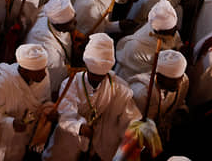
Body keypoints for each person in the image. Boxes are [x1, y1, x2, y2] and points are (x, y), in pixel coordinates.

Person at [43, 33, 140, 161]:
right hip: (69, 139)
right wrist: (80, 127)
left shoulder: (119, 87)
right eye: (93, 75)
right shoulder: (71, 83)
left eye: (101, 76)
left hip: (99, 141)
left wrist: (135, 132)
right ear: (86, 68)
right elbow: (65, 113)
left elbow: (131, 117)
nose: (96, 79)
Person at [0, 44, 52, 161]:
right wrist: (11, 123)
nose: (44, 74)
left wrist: (49, 110)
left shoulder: (43, 78)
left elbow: (44, 103)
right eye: (39, 71)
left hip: (21, 142)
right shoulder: (2, 81)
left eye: (44, 69)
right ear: (24, 70)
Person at [129, 49, 188, 142]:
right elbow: (132, 125)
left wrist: (181, 111)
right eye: (172, 80)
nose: (178, 84)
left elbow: (179, 102)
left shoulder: (184, 81)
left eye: (180, 78)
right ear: (158, 76)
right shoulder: (141, 92)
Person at [115, 0, 182, 80]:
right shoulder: (136, 47)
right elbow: (149, 72)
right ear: (158, 32)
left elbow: (176, 40)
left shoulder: (171, 31)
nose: (174, 33)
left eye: (174, 29)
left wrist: (180, 48)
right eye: (169, 32)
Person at [24, 0, 76, 92]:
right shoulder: (47, 49)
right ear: (59, 24)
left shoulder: (51, 16)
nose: (75, 22)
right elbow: (55, 81)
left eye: (74, 17)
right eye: (71, 22)